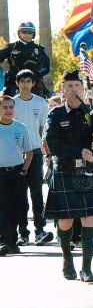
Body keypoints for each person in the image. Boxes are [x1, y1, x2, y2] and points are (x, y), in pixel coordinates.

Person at [44, 70, 93, 282]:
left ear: (83, 89)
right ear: (62, 90)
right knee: (66, 221)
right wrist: (78, 151)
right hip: (66, 170)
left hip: (90, 170)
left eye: (77, 85)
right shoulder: (56, 114)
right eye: (69, 86)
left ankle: (86, 268)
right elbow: (53, 144)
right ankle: (67, 258)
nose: (73, 89)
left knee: (89, 218)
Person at [12, 69, 52, 246]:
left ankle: (40, 230)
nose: (26, 84)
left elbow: (43, 130)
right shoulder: (11, 103)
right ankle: (23, 232)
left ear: (34, 83)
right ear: (17, 83)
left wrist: (46, 151)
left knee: (37, 193)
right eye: (23, 81)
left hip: (35, 152)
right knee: (20, 195)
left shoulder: (41, 102)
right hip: (16, 154)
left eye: (29, 81)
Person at [0, 95, 33, 256]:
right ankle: (3, 242)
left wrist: (23, 170)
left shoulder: (21, 128)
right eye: (4, 107)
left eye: (11, 107)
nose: (8, 111)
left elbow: (29, 152)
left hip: (16, 172)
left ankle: (12, 242)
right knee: (2, 207)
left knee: (16, 207)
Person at [0, 22, 51, 97]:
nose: (27, 34)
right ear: (19, 33)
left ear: (33, 34)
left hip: (34, 82)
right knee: (5, 102)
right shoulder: (11, 47)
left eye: (29, 32)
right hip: (14, 82)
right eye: (24, 32)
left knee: (49, 99)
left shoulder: (39, 48)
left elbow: (46, 67)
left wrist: (35, 73)